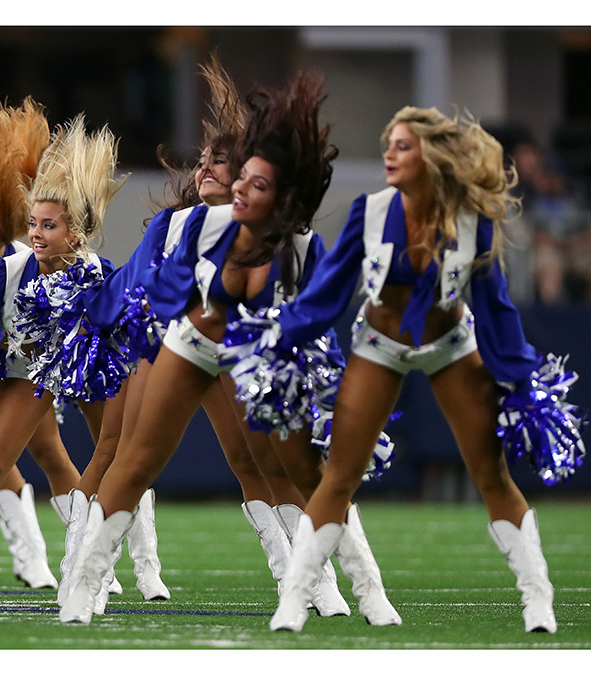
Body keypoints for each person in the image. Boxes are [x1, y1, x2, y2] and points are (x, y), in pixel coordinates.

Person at [60, 72, 393, 625]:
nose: (229, 184)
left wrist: (324, 384)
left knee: (291, 466)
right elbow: (140, 288)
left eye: (247, 179)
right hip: (187, 345)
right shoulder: (188, 226)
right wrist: (96, 313)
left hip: (252, 359)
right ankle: (84, 584)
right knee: (134, 459)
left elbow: (317, 319)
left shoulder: (302, 245)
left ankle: (353, 585)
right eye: (217, 167)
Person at [264, 106, 581, 633]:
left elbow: (496, 304)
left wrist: (519, 380)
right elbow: (327, 293)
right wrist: (282, 341)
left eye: (403, 145)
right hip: (379, 344)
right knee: (339, 476)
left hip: (451, 345)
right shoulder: (369, 211)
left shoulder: (472, 221)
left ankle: (538, 598)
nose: (389, 152)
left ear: (431, 157)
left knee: (491, 474)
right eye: (389, 143)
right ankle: (294, 599)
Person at [0, 112, 120, 586]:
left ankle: (125, 563)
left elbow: (124, 332)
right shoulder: (10, 268)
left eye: (48, 226)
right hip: (26, 372)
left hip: (89, 373)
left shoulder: (101, 274)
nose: (35, 234)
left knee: (115, 459)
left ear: (74, 234)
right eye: (32, 224)